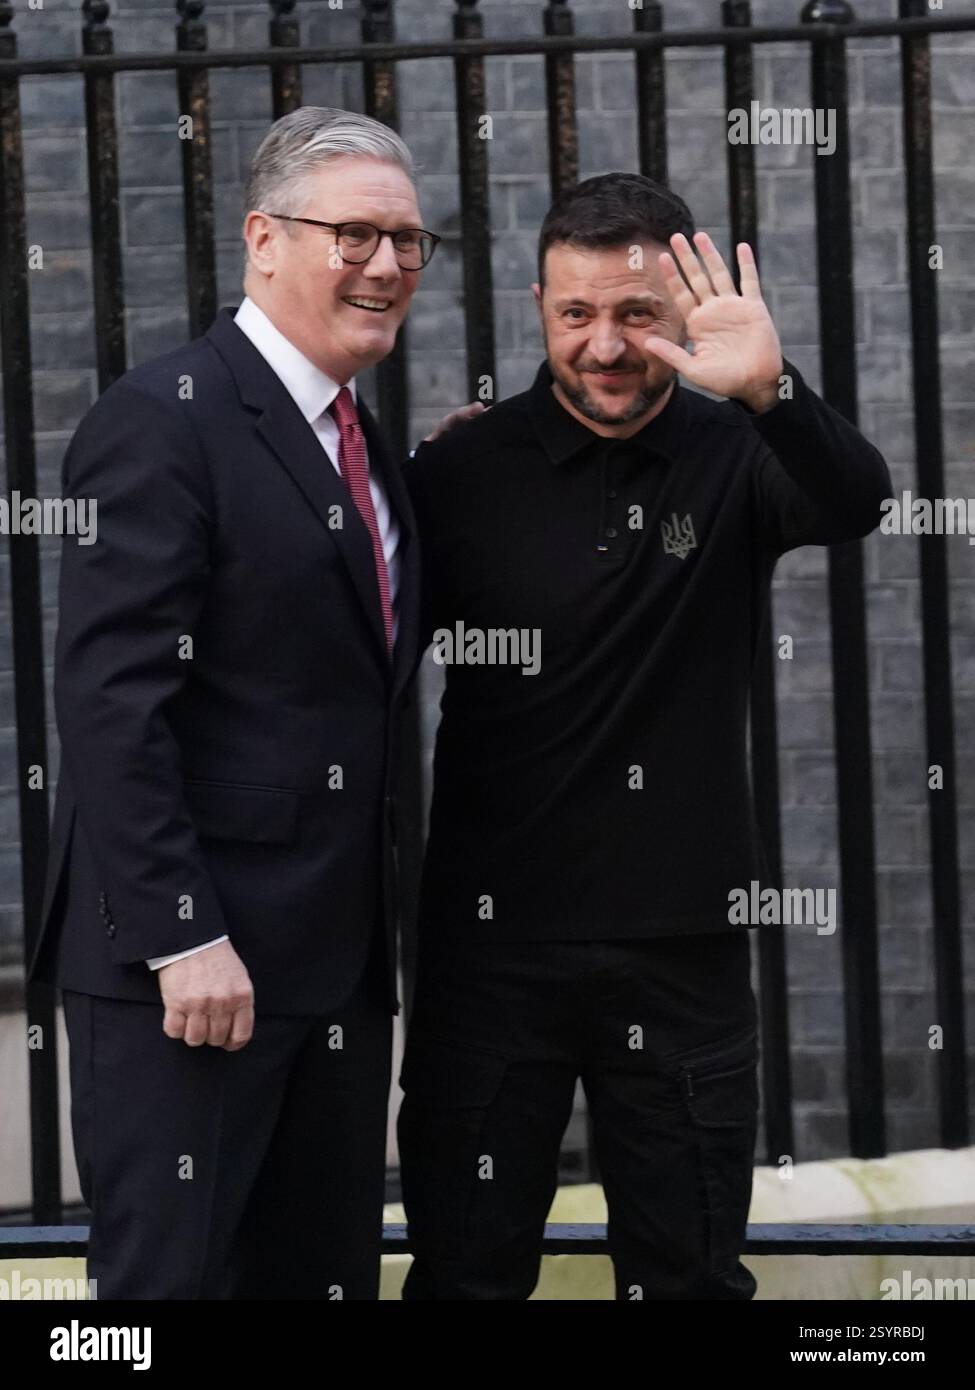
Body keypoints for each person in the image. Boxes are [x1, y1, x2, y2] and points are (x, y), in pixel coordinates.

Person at [397, 173, 893, 1300]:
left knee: (688, 1277)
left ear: (677, 313)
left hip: (682, 952)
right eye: (577, 314)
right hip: (490, 951)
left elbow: (858, 499)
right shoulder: (459, 469)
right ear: (538, 307)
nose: (607, 346)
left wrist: (776, 394)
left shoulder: (737, 453)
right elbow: (351, 662)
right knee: (465, 1273)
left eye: (636, 315)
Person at [28, 106, 444, 1299]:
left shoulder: (365, 449)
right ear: (264, 239)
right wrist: (182, 934)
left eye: (410, 242)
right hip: (191, 980)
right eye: (355, 234)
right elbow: (112, 700)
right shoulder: (164, 421)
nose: (387, 265)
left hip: (330, 973)